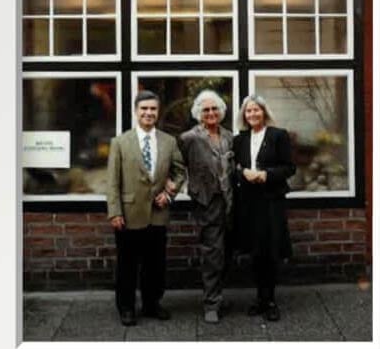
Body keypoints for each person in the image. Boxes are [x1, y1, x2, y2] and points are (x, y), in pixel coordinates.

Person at [105, 91, 186, 326]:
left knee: (155, 264)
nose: (149, 113)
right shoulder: (120, 142)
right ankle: (126, 307)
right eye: (144, 109)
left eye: (153, 109)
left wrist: (170, 193)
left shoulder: (169, 141)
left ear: (158, 112)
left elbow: (180, 171)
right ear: (136, 111)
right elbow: (112, 181)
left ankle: (152, 304)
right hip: (128, 214)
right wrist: (115, 211)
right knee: (127, 265)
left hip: (158, 213)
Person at [232, 95, 296, 321]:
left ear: (264, 112)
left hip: (271, 201)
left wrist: (266, 175)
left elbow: (289, 168)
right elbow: (235, 167)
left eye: (256, 110)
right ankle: (259, 299)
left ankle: (270, 301)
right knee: (255, 252)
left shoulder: (278, 135)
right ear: (244, 115)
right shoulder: (239, 139)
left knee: (270, 251)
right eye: (248, 111)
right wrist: (243, 173)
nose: (252, 115)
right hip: (248, 203)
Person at [178, 89, 235, 325]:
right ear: (198, 113)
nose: (211, 113)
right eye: (206, 109)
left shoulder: (229, 136)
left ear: (221, 112)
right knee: (212, 253)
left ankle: (218, 297)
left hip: (231, 201)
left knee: (227, 251)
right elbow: (178, 166)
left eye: (214, 109)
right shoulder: (189, 138)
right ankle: (211, 304)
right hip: (207, 202)